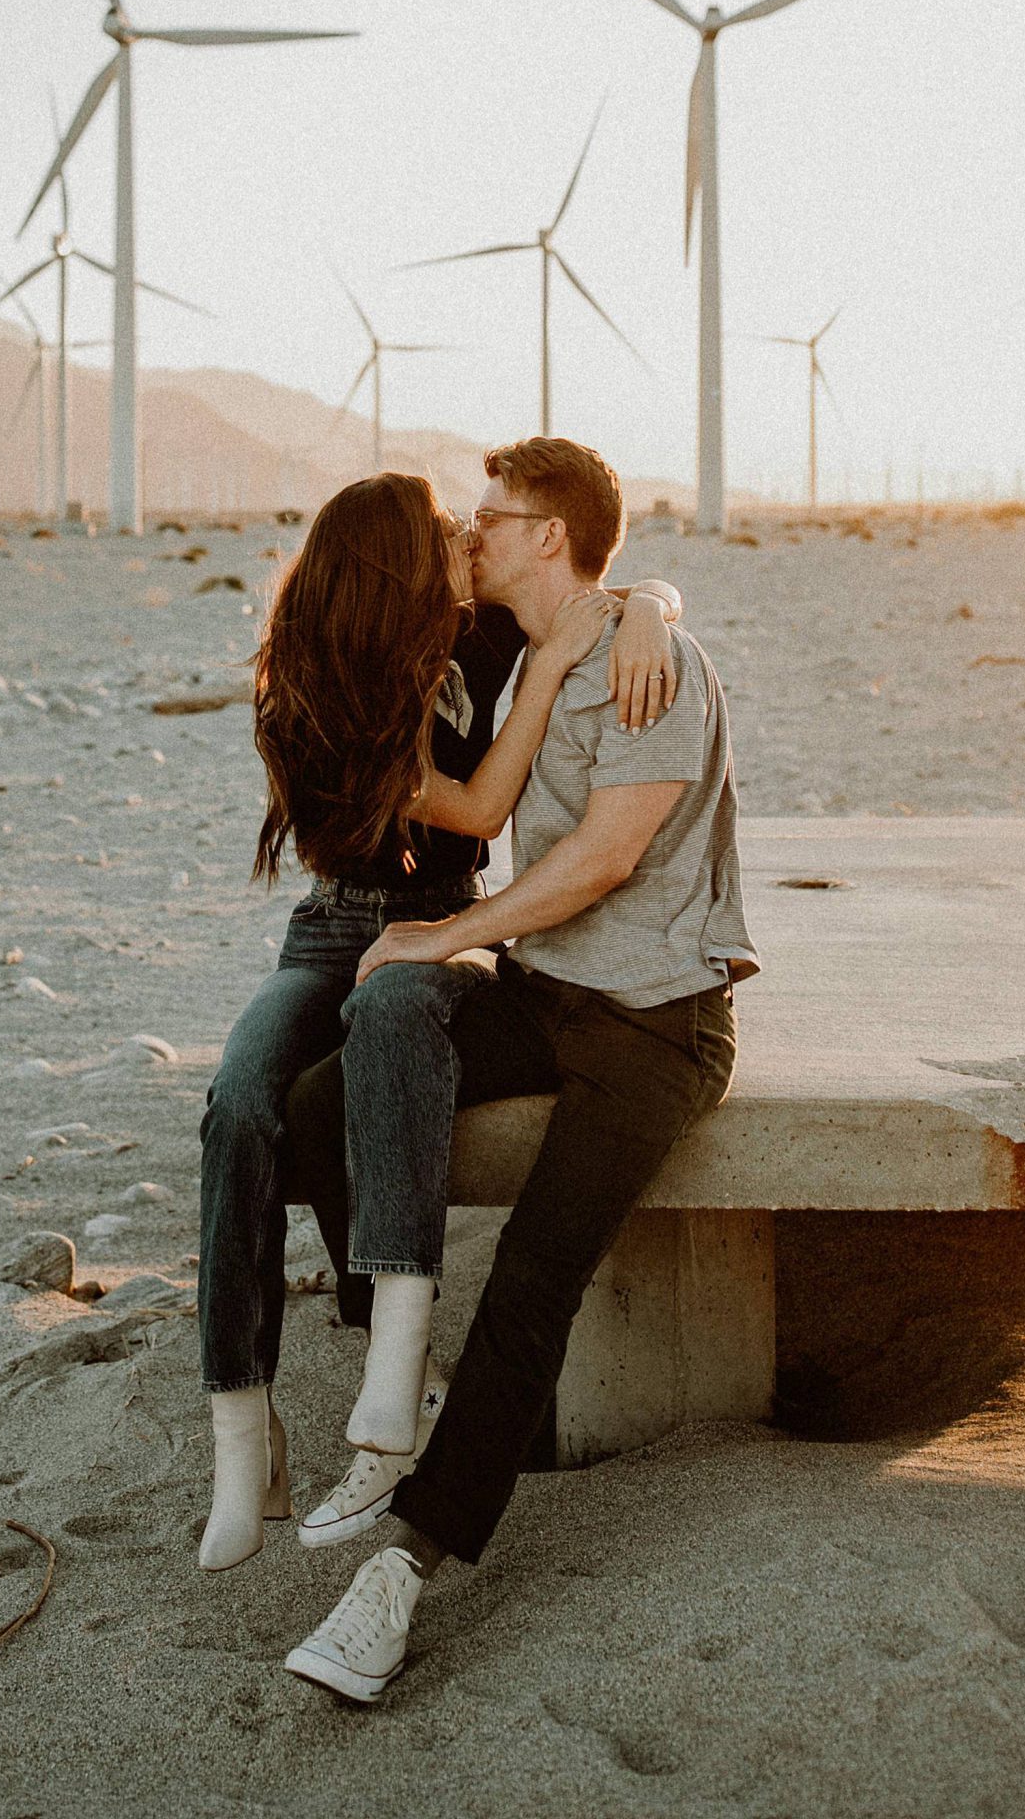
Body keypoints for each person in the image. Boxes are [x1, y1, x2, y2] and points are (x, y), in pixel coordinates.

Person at [280, 437, 757, 1701]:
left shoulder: (656, 670)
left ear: (545, 536)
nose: (468, 538)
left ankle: (398, 1577)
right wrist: (651, 588)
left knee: (533, 1279)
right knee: (317, 1102)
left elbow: (600, 860)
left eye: (488, 520)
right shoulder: (522, 647)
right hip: (549, 996)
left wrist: (445, 932)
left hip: (657, 1021)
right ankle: (401, 1380)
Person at [196, 468, 685, 1572]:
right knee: (238, 1108)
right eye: (443, 532)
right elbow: (469, 807)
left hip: (444, 919)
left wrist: (648, 603)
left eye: (475, 526)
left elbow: (589, 590)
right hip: (331, 932)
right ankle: (242, 1428)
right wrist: (553, 672)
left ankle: (393, 1351)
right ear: (389, 567)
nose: (469, 537)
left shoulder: (474, 634)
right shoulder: (309, 695)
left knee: (369, 1059)